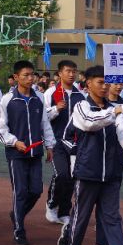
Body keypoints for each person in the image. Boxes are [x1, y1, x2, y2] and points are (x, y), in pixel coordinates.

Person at [59, 66, 123, 245]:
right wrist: (116, 111)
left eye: (107, 82)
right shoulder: (81, 106)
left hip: (112, 171)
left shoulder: (116, 107)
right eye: (100, 82)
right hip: (89, 170)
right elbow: (89, 123)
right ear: (88, 84)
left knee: (112, 217)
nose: (104, 86)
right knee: (82, 216)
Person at [0, 60, 56, 245]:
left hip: (36, 152)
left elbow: (44, 123)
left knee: (37, 190)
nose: (30, 78)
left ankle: (16, 213)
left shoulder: (38, 98)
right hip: (16, 154)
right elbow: (0, 129)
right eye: (26, 75)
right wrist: (14, 142)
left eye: (32, 74)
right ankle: (19, 229)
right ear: (16, 78)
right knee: (20, 191)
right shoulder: (7, 100)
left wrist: (50, 145)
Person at [43, 60, 82, 226]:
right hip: (57, 141)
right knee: (61, 175)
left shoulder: (81, 95)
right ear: (59, 73)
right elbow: (43, 118)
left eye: (74, 71)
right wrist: (56, 109)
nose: (71, 74)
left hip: (74, 143)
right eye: (67, 71)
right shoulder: (51, 93)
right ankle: (51, 204)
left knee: (72, 178)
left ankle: (65, 211)